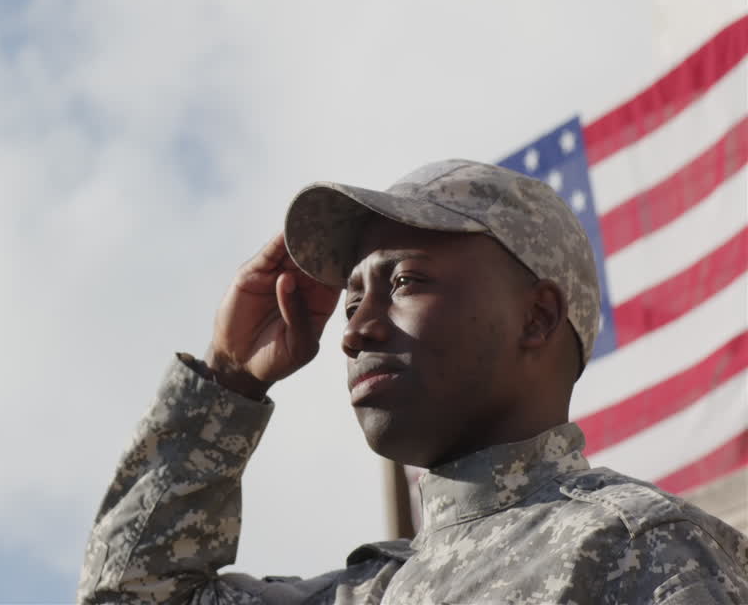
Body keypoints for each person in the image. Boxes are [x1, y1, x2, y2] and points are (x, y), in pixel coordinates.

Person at [77, 159, 748, 605]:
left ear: (537, 317)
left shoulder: (635, 549)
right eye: (348, 301)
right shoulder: (364, 593)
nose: (354, 330)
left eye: (404, 283)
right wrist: (226, 380)